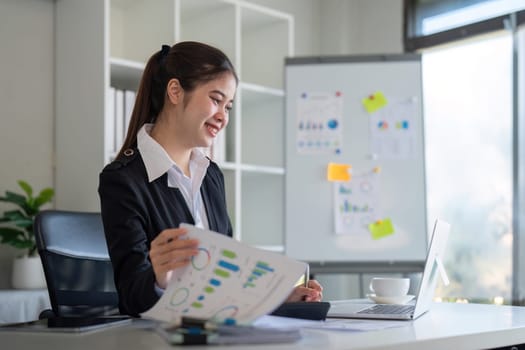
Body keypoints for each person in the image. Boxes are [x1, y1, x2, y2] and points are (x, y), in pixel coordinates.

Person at [98, 41, 323, 317]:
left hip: (215, 333)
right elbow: (132, 298)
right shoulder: (123, 180)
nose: (223, 117)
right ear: (175, 91)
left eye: (228, 106)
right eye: (216, 100)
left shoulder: (211, 175)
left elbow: (225, 280)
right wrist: (159, 276)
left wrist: (277, 296)